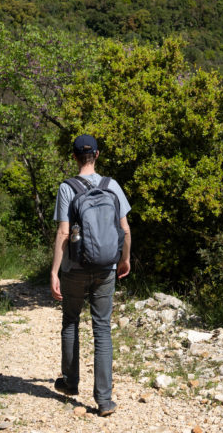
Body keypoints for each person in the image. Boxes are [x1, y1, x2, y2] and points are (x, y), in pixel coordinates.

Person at [50, 134, 131, 417]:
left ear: (74, 157)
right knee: (102, 329)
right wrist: (124, 259)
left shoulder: (67, 188)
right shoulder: (112, 186)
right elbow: (126, 229)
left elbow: (63, 232)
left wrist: (55, 270)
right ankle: (105, 400)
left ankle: (70, 384)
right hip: (106, 267)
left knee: (71, 321)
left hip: (74, 268)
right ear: (96, 155)